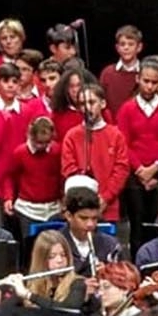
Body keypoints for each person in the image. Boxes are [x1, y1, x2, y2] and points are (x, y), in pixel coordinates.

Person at [113, 57, 158, 250]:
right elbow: (123, 143)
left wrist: (154, 168)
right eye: (146, 81)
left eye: (154, 82)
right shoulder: (127, 109)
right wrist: (141, 171)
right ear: (138, 79)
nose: (150, 86)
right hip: (136, 177)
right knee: (137, 227)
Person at [60, 81, 130, 227]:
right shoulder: (72, 136)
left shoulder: (115, 135)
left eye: (92, 102)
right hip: (79, 209)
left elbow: (121, 170)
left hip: (108, 208)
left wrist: (104, 198)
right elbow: (69, 169)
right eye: (82, 104)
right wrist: (85, 200)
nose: (87, 108)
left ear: (103, 103)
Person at [60, 181, 122, 275]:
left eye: (94, 218)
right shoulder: (55, 244)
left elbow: (124, 281)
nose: (90, 224)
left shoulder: (111, 245)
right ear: (69, 216)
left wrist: (109, 274)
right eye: (83, 218)